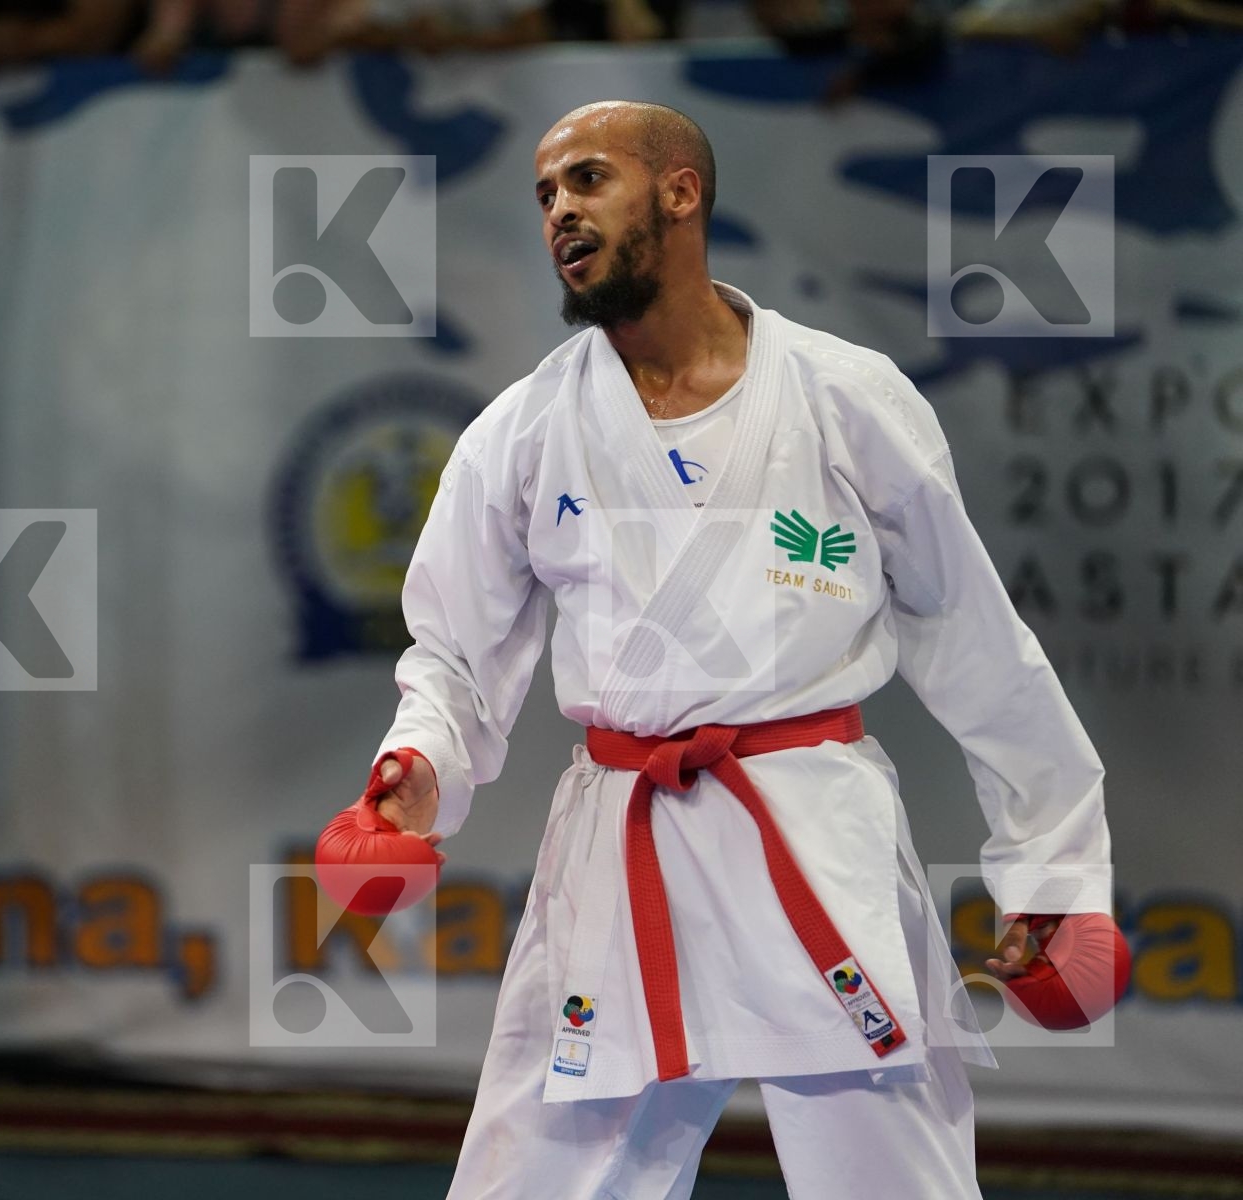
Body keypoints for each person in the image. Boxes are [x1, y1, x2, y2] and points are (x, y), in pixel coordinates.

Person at [352, 102, 1119, 1197]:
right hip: (618, 851)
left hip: (810, 835)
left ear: (681, 192)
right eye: (544, 195)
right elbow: (452, 653)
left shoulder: (847, 399)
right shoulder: (519, 432)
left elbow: (973, 638)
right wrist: (416, 769)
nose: (559, 210)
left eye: (587, 180)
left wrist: (1052, 879)